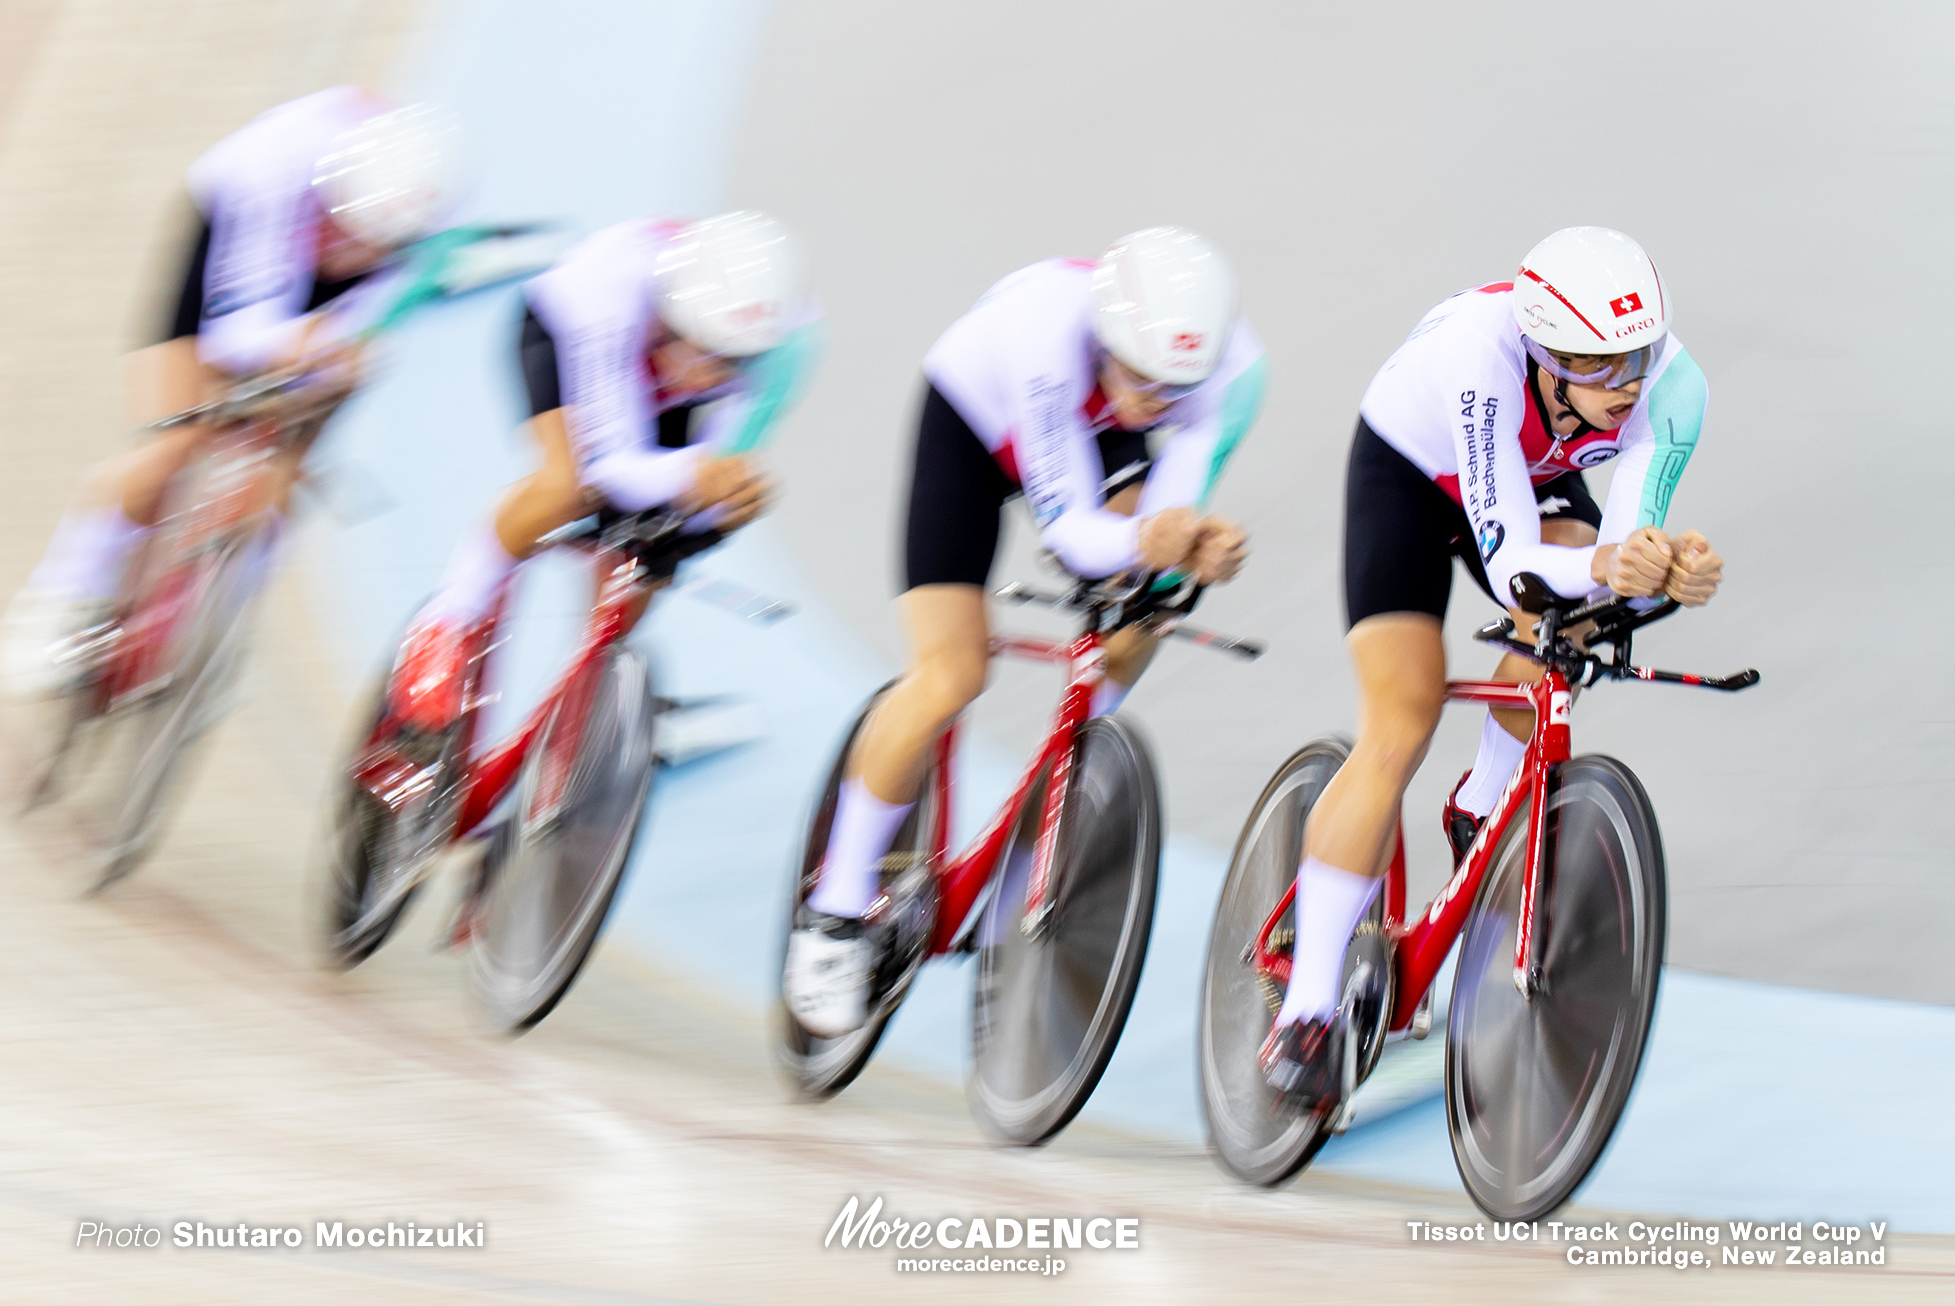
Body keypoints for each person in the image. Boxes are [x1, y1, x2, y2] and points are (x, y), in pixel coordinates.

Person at [1260, 226, 1724, 1107]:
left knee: (1585, 609)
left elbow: (1621, 553)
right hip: (1411, 475)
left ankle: (1486, 798)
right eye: (1594, 365)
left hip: (1530, 485)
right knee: (1398, 724)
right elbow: (1511, 555)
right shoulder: (1478, 357)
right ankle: (1310, 1005)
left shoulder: (1675, 388)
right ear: (1544, 353)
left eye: (1636, 356)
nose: (1623, 384)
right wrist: (1610, 567)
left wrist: (1668, 568)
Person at [783, 227, 1267, 1038]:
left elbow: (1168, 520)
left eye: (1175, 387)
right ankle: (833, 909)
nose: (1157, 399)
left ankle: (1071, 759)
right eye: (1141, 378)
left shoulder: (1232, 374)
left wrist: (1191, 550)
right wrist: (1151, 539)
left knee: (1151, 596)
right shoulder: (1045, 333)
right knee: (950, 674)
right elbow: (1075, 534)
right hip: (979, 423)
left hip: (1097, 439)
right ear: (1106, 340)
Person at [0, 87, 458, 695]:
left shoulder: (417, 217)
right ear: (330, 200)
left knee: (285, 474)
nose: (356, 254)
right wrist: (301, 345)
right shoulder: (270, 172)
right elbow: (235, 336)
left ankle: (218, 637)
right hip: (238, 242)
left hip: (332, 277)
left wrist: (335, 357)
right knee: (177, 438)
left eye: (377, 245)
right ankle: (62, 593)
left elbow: (374, 318)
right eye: (349, 234)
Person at [384, 210, 819, 735]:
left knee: (659, 544)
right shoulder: (609, 289)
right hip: (573, 339)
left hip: (656, 376)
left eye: (732, 363)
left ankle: (584, 695)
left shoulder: (790, 347)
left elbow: (723, 465)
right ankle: (445, 623)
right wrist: (692, 476)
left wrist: (714, 513)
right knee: (567, 488)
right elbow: (610, 469)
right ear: (671, 310)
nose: (708, 371)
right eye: (700, 348)